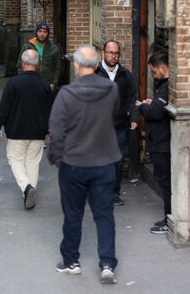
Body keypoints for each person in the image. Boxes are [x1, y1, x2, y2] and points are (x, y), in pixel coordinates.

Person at [48, 45, 120, 284]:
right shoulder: (111, 89)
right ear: (98, 64)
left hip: (74, 163)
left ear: (76, 66)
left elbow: (56, 131)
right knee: (104, 215)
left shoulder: (66, 94)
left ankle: (71, 261)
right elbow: (114, 115)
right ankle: (107, 263)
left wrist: (56, 158)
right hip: (105, 161)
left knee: (73, 214)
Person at [0, 49, 53, 210]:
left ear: (23, 62)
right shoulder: (45, 85)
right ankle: (29, 193)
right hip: (39, 131)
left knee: (15, 160)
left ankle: (26, 187)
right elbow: (50, 110)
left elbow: (4, 107)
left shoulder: (14, 83)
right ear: (38, 63)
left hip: (17, 130)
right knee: (33, 162)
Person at [96, 40, 139, 206]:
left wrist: (134, 118)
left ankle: (114, 193)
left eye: (116, 53)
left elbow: (131, 99)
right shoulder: (95, 72)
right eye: (110, 53)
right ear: (103, 53)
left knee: (117, 160)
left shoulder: (125, 75)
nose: (113, 56)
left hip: (120, 125)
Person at [136, 50, 171, 234]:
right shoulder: (166, 87)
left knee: (166, 184)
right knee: (165, 183)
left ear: (163, 68)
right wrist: (152, 103)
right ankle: (168, 218)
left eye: (155, 72)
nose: (154, 76)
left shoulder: (167, 87)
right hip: (161, 142)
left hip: (162, 144)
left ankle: (169, 220)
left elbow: (155, 112)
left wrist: (143, 106)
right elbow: (159, 106)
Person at [17, 23, 61, 89]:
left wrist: (54, 83)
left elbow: (57, 68)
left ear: (48, 34)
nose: (42, 34)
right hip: (30, 84)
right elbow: (20, 65)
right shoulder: (27, 47)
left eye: (45, 32)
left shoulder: (53, 49)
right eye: (40, 31)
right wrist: (22, 81)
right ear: (36, 33)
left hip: (47, 84)